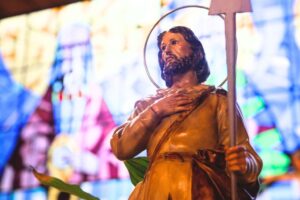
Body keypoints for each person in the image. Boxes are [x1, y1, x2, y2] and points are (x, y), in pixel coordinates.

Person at [110, 26, 262, 199]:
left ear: (196, 52)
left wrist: (244, 164)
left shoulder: (216, 100)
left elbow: (243, 151)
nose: (166, 50)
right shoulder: (148, 105)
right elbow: (121, 148)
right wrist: (157, 110)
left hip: (199, 188)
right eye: (163, 48)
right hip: (155, 189)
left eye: (174, 42)